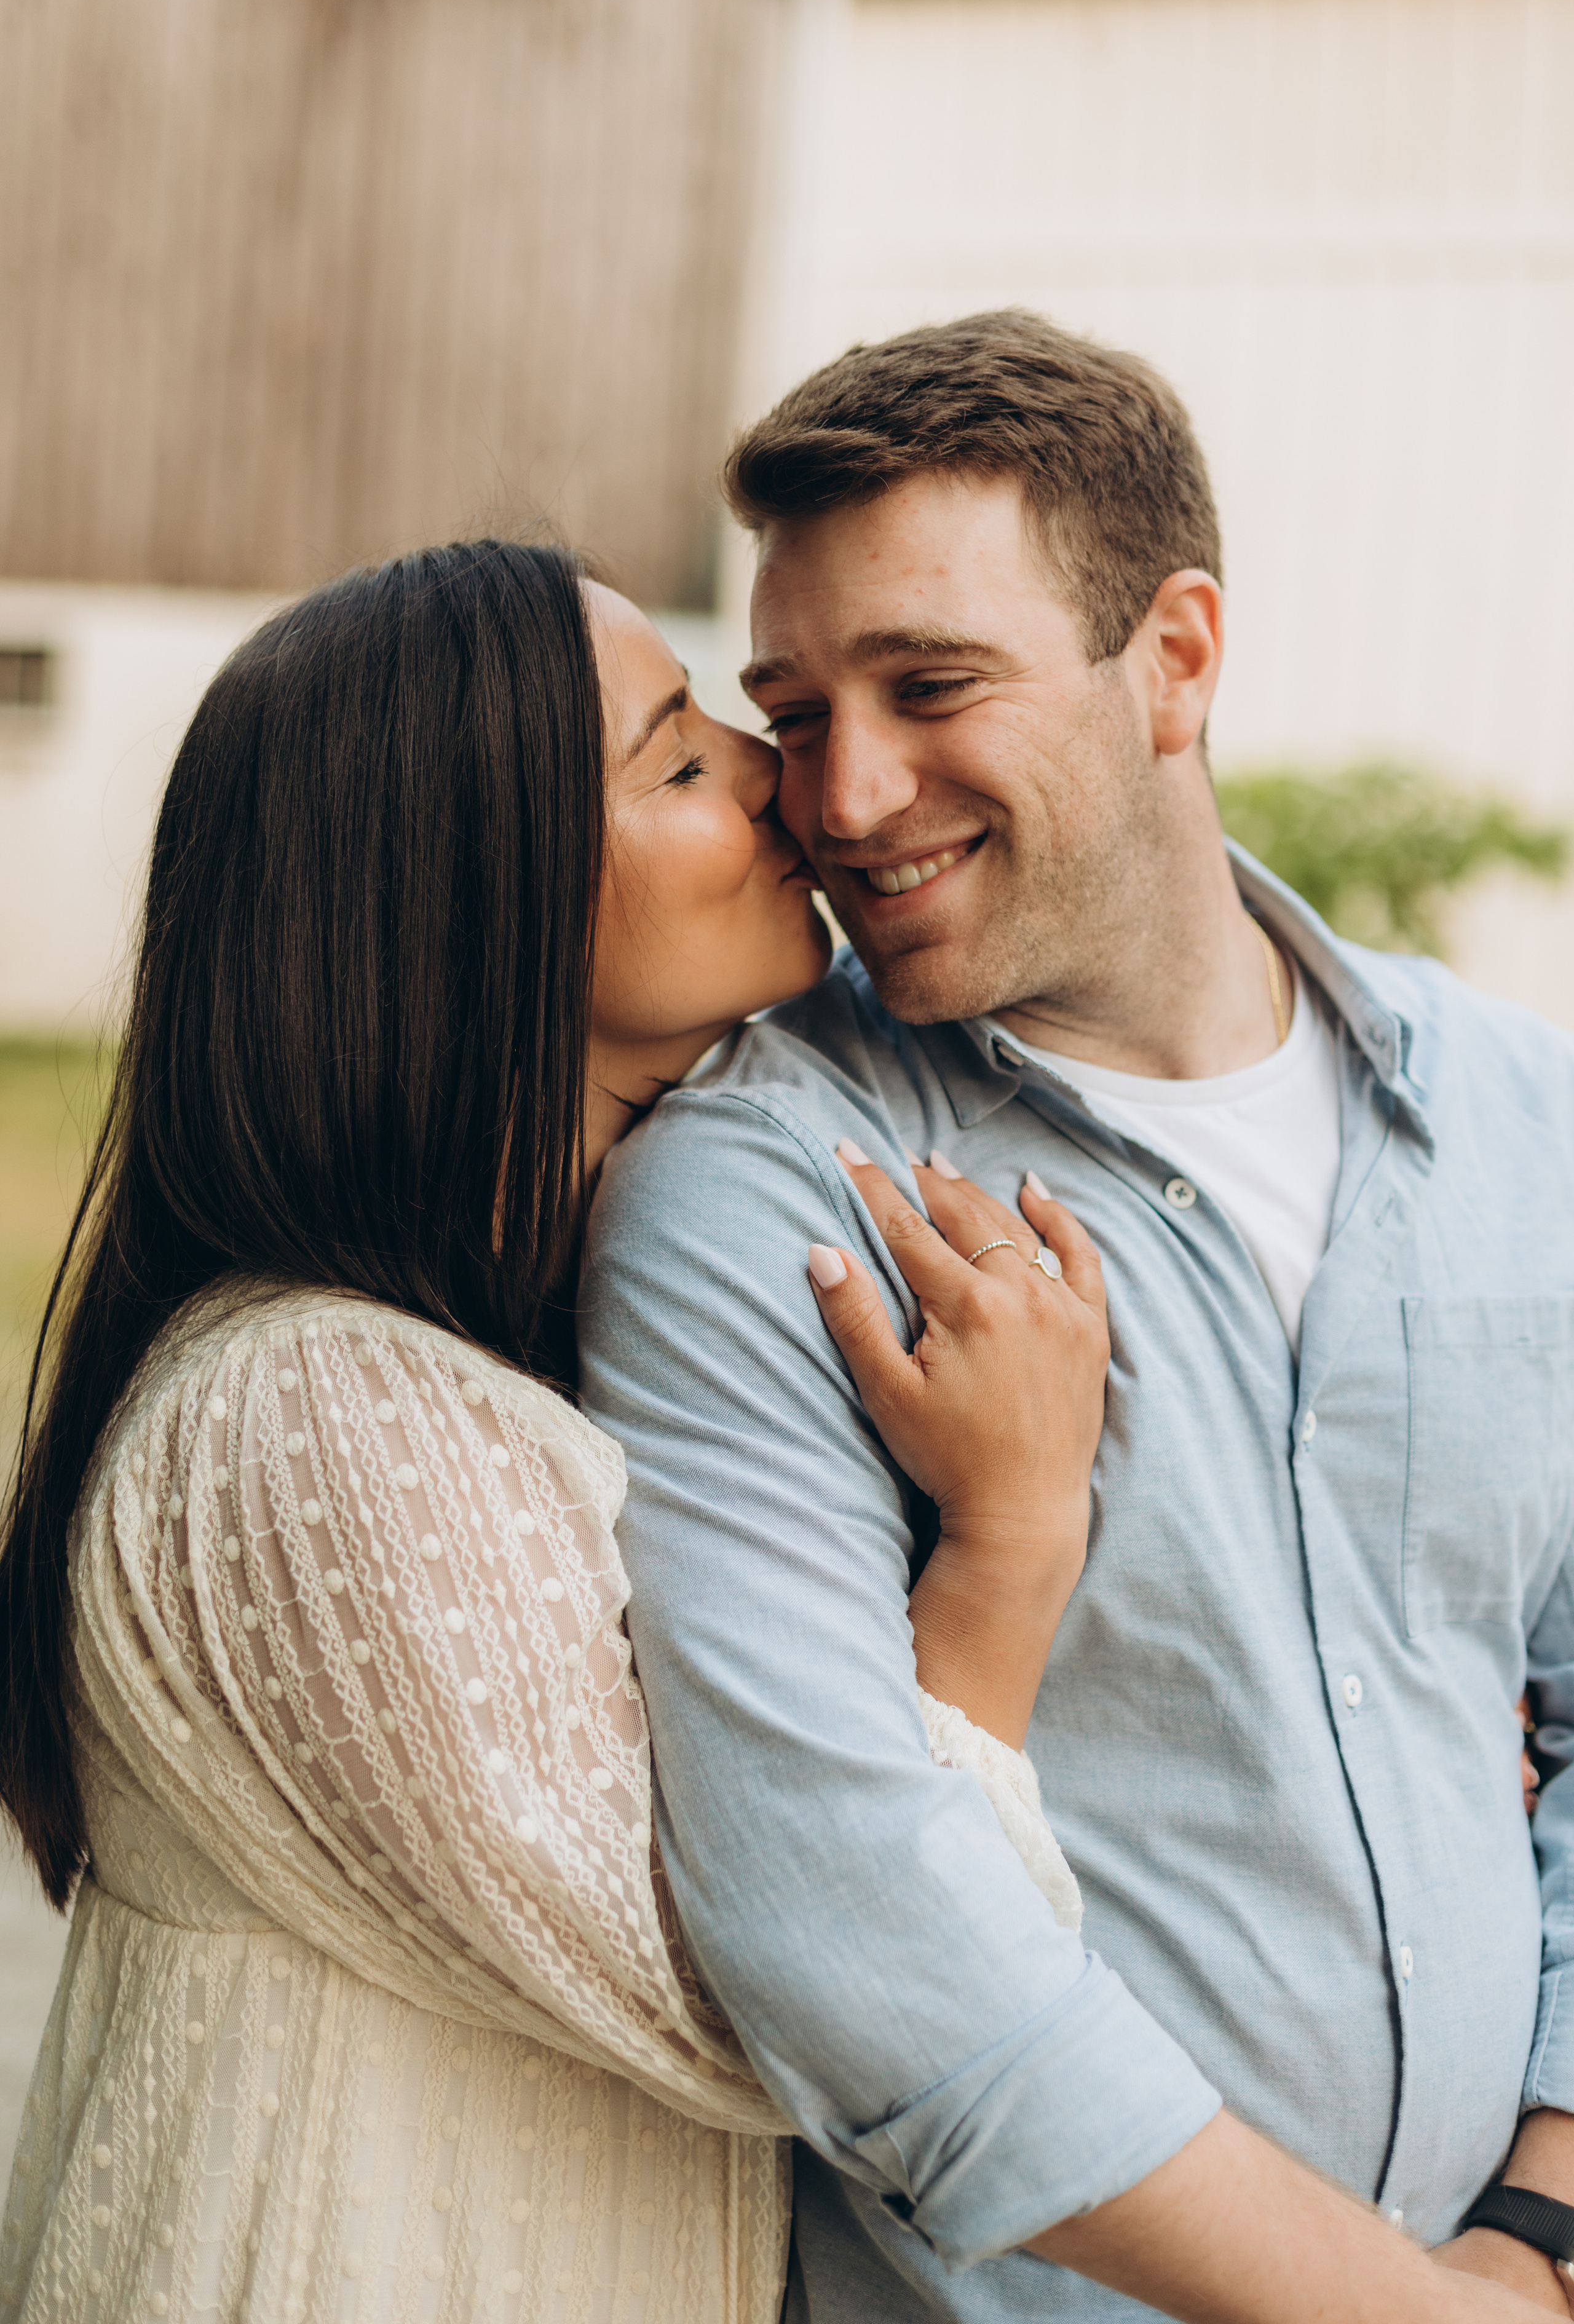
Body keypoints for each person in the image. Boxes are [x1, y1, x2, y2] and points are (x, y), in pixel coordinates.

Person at [577, 310, 1574, 2322]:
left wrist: (1539, 2233)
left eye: (929, 684)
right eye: (789, 704)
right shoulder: (761, 1196)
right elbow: (845, 1912)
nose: (842, 795)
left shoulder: (1523, 1117)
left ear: (1176, 658)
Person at [0, 539, 1111, 2324]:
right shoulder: (309, 1425)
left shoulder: (548, 1341)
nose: (779, 776)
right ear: (467, 909)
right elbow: (837, 2004)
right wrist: (1009, 1549)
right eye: (679, 759)